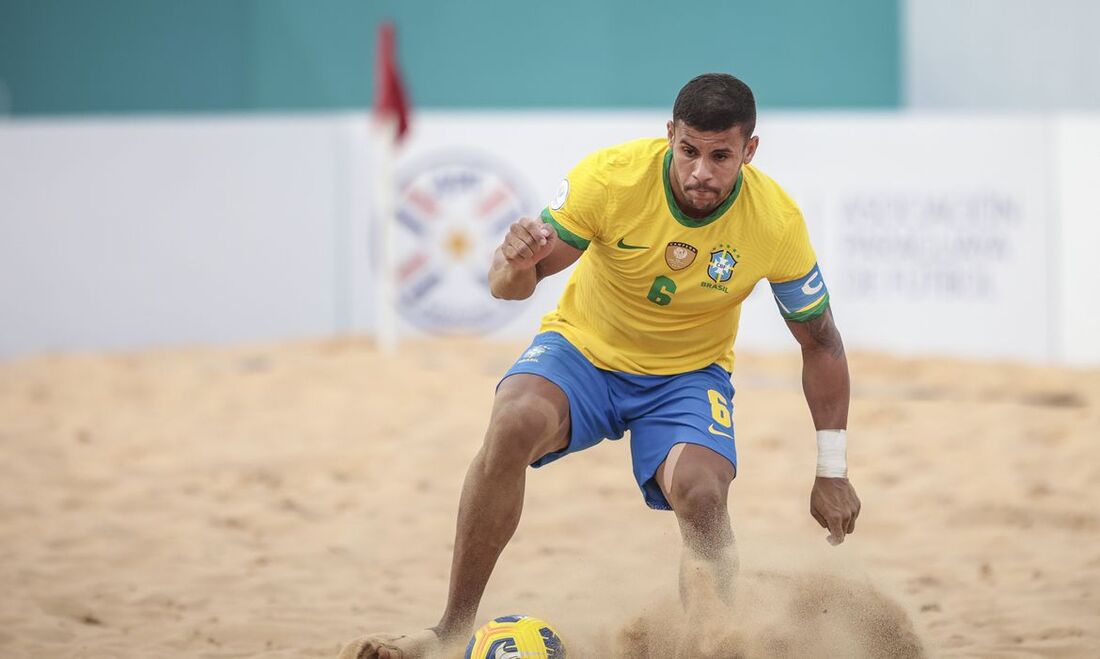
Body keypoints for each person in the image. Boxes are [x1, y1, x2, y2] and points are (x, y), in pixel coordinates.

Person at [340, 72, 861, 659]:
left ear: (750, 150)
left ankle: (712, 642)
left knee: (702, 493)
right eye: (688, 150)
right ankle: (452, 629)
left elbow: (822, 343)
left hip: (685, 376)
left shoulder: (776, 222)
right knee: (512, 423)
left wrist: (832, 468)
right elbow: (509, 286)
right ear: (669, 134)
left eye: (721, 156)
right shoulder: (611, 179)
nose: (699, 172)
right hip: (584, 352)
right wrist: (512, 261)